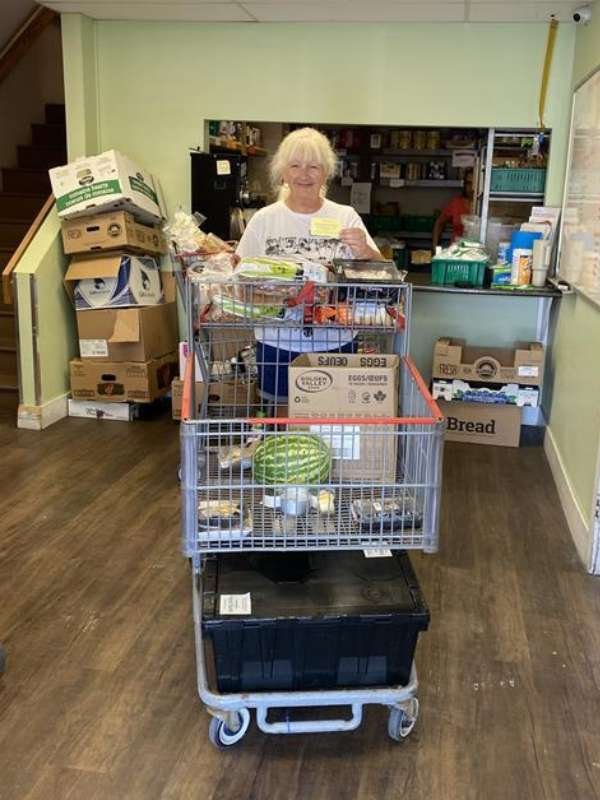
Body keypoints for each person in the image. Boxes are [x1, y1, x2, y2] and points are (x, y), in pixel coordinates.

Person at [235, 127, 383, 402]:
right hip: (277, 344)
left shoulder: (345, 216)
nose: (304, 175)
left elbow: (383, 274)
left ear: (326, 172)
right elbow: (241, 283)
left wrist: (365, 252)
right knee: (279, 425)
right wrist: (279, 297)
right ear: (283, 172)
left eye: (314, 166)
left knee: (333, 427)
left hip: (336, 343)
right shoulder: (264, 220)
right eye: (295, 166)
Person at [431, 171, 474, 251]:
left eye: (474, 183)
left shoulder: (484, 206)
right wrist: (435, 249)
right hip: (456, 252)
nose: (471, 187)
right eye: (468, 183)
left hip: (477, 253)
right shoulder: (456, 203)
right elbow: (439, 223)